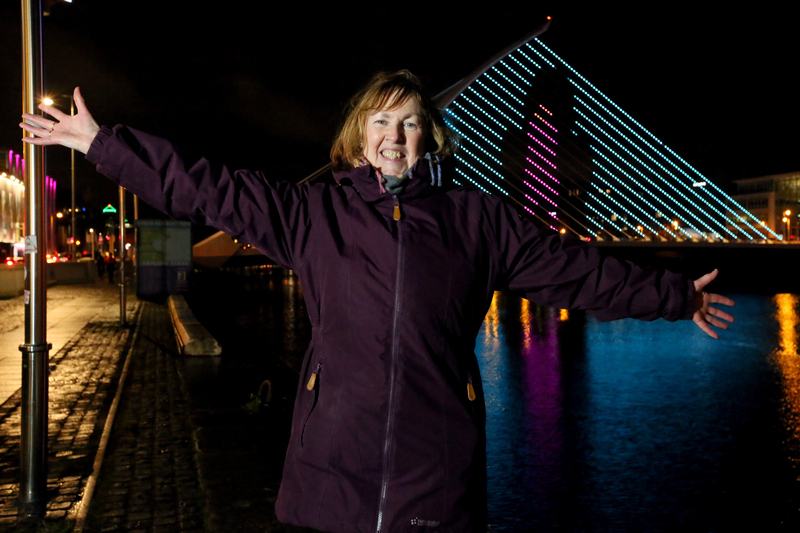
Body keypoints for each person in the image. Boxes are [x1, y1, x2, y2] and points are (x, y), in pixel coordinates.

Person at [21, 72, 734, 533]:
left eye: (412, 123)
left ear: (431, 137)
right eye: (382, 123)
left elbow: (574, 273)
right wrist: (102, 145)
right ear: (360, 137)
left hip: (437, 484)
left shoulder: (476, 221)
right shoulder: (313, 216)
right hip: (329, 478)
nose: (396, 138)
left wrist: (672, 295)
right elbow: (208, 189)